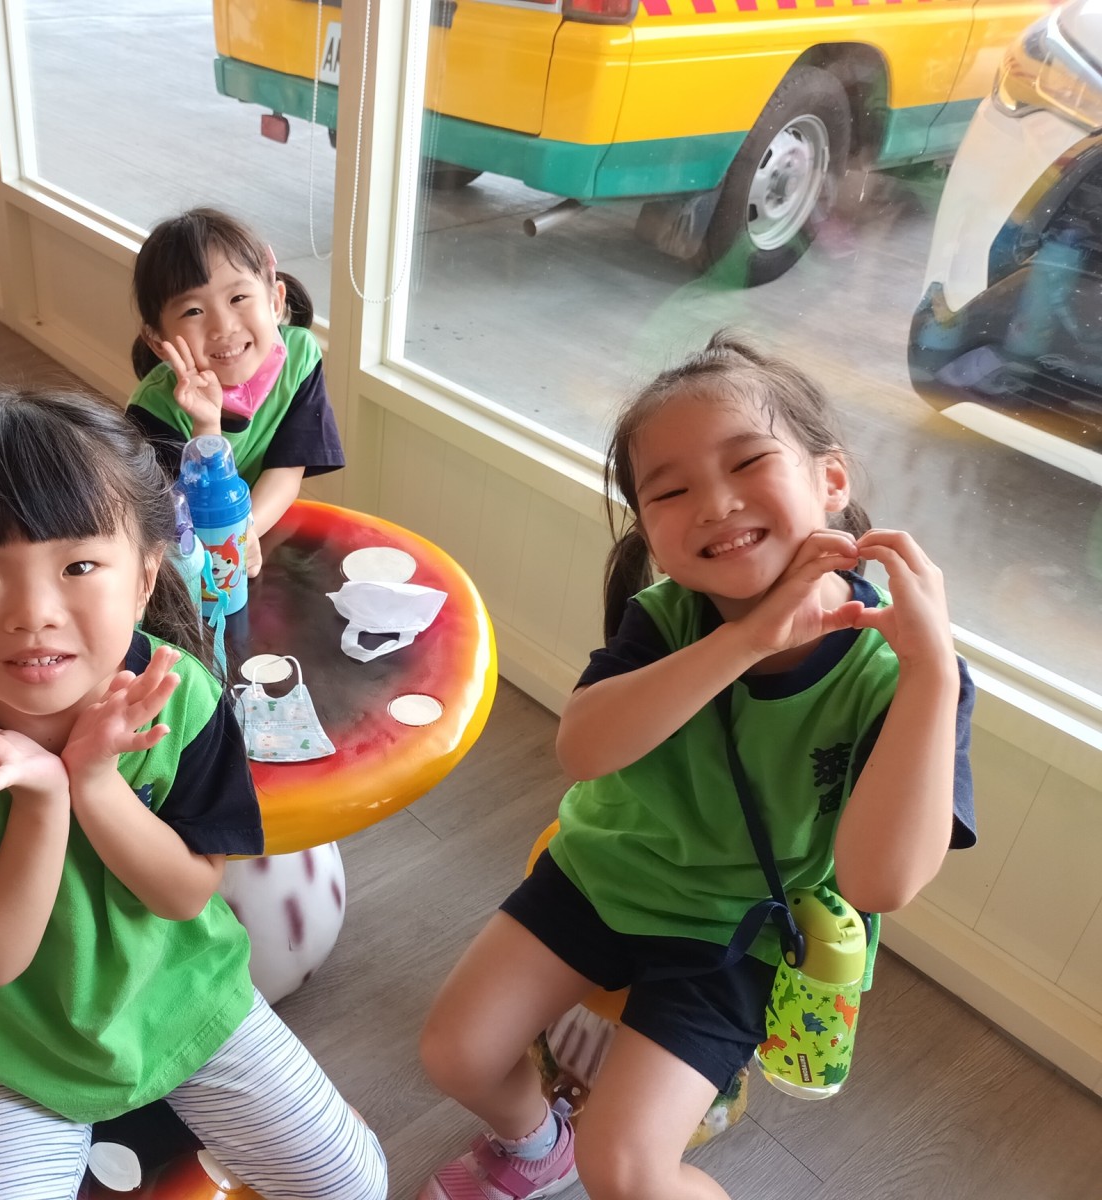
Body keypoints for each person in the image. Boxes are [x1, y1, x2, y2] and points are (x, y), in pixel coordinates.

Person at [417, 333, 977, 1200]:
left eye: (748, 462)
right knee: (454, 1053)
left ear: (831, 480)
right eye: (671, 490)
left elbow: (879, 882)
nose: (714, 503)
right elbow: (582, 750)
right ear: (648, 528)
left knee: (626, 1169)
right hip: (603, 875)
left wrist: (933, 675)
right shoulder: (666, 616)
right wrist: (746, 640)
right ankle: (535, 1147)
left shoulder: (900, 670)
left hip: (735, 934)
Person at [0, 388, 386, 1200]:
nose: (33, 614)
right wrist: (43, 800)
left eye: (79, 566)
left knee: (355, 1185)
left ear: (144, 576)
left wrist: (94, 782)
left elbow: (184, 893)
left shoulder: (183, 697)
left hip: (191, 1000)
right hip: (16, 1050)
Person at [127, 207, 344, 575]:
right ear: (158, 341)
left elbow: (287, 468)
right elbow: (181, 525)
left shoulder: (299, 358)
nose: (223, 327)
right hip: (186, 564)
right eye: (193, 311)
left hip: (256, 533)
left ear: (275, 300)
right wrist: (206, 424)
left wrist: (245, 535)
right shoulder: (153, 410)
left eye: (238, 298)